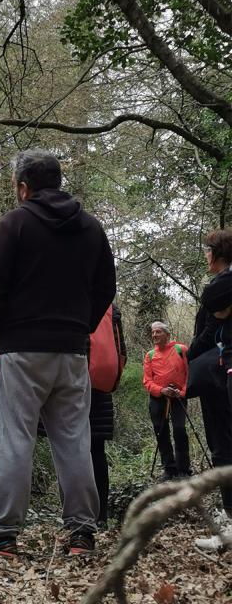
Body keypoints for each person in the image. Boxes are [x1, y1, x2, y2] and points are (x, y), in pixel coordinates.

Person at [0, 149, 115, 558]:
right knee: (74, 441)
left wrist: (1, 335)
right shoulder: (91, 228)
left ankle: (1, 537)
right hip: (71, 351)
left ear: (23, 186)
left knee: (15, 439)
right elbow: (107, 288)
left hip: (21, 348)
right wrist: (79, 327)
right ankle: (81, 535)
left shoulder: (15, 223)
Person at [190, 229, 232, 551]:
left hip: (222, 371)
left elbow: (212, 303)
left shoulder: (223, 283)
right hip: (217, 369)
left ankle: (230, 524)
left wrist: (187, 356)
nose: (205, 256)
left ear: (218, 253)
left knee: (224, 445)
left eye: (207, 250)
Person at [88, 304, 126, 527]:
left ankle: (75, 515)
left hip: (72, 386)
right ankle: (100, 515)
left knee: (69, 449)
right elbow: (122, 352)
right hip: (102, 390)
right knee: (97, 451)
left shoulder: (73, 296)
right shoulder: (112, 310)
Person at [143, 321, 190, 480]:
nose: (154, 335)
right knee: (161, 431)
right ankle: (169, 469)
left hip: (178, 398)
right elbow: (147, 381)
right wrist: (161, 390)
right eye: (153, 332)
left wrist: (182, 392)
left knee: (179, 430)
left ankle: (184, 469)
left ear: (167, 334)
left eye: (158, 332)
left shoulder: (181, 350)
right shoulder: (149, 355)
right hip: (158, 398)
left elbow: (189, 374)